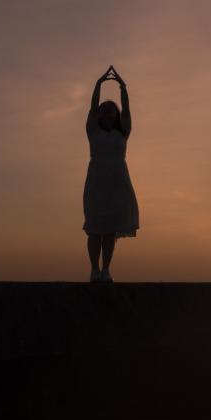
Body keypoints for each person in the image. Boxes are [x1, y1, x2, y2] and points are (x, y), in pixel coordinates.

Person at [82, 67, 139, 282]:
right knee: (95, 228)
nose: (107, 114)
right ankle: (94, 269)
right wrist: (98, 84)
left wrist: (122, 87)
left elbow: (127, 111)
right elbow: (90, 107)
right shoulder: (93, 131)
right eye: (103, 111)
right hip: (97, 180)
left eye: (110, 111)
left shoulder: (123, 131)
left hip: (117, 182)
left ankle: (105, 269)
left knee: (110, 231)